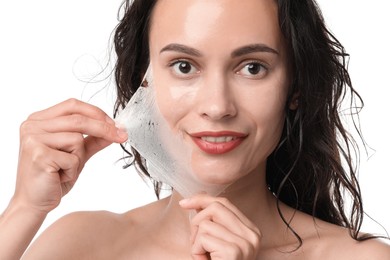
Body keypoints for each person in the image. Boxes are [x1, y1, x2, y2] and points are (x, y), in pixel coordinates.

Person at [0, 0, 389, 259]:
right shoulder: (81, 245)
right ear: (145, 81)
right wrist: (23, 209)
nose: (217, 107)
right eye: (184, 66)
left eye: (252, 67)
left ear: (295, 88)